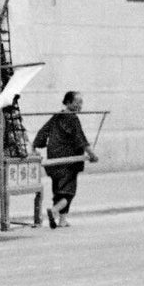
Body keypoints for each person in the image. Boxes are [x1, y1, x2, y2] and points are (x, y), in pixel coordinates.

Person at [33, 90, 99, 229]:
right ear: (68, 103)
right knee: (68, 192)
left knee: (59, 190)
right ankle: (54, 210)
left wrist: (35, 145)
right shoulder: (72, 119)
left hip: (54, 161)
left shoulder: (57, 116)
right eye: (77, 102)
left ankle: (62, 221)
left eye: (81, 102)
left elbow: (43, 131)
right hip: (68, 161)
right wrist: (93, 155)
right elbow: (81, 140)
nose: (80, 106)